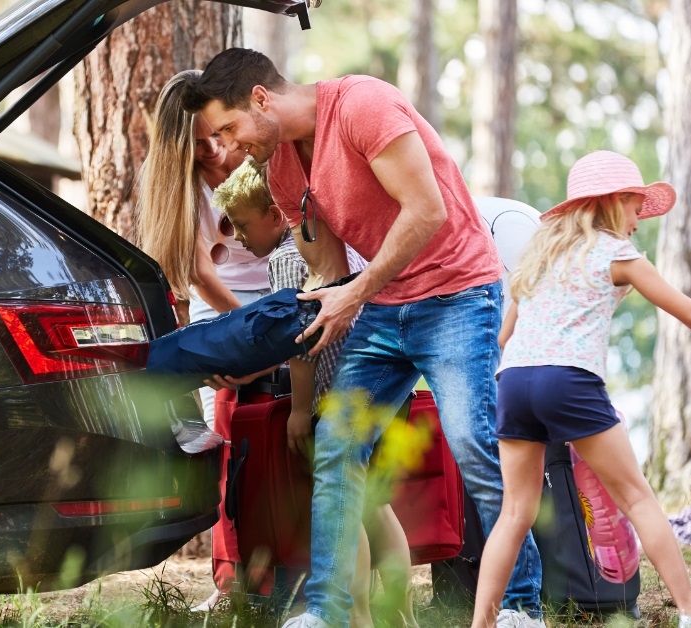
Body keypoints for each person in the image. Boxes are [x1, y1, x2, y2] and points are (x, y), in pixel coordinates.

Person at [181, 49, 544, 628]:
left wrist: (357, 292)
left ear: (261, 98)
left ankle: (522, 607)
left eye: (228, 128)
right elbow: (327, 271)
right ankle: (327, 614)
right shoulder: (281, 169)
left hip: (456, 294)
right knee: (337, 445)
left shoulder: (362, 106)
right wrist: (261, 352)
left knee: (473, 445)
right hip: (383, 304)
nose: (227, 147)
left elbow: (426, 210)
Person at [469, 150, 691, 628]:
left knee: (515, 512)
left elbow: (504, 337)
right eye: (636, 207)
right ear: (613, 201)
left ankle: (481, 623)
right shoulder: (616, 253)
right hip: (568, 379)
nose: (639, 221)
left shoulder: (539, 256)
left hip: (514, 381)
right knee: (638, 499)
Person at [211, 158, 416, 627]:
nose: (238, 237)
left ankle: (359, 617)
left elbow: (301, 341)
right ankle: (403, 615)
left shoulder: (289, 258)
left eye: (242, 224)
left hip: (341, 392)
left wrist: (300, 411)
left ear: (275, 213)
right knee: (376, 504)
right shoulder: (343, 240)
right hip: (391, 384)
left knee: (344, 502)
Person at [135, 69, 271, 611]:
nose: (214, 150)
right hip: (232, 319)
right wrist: (253, 334)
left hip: (283, 303)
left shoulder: (255, 154)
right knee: (232, 449)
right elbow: (200, 275)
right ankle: (231, 582)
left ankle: (286, 573)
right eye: (198, 144)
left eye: (217, 134)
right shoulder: (182, 187)